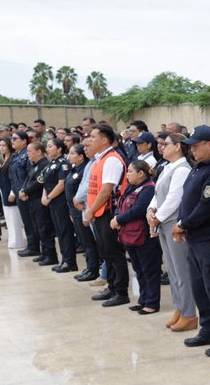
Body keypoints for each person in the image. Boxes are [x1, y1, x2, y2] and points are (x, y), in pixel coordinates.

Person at [175, 126, 210, 353]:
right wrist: (182, 223)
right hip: (193, 238)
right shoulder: (198, 168)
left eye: (196, 146)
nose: (192, 150)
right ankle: (208, 329)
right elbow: (186, 199)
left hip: (208, 239)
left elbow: (205, 207)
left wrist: (182, 224)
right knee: (200, 288)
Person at [148, 132, 197, 331]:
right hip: (162, 221)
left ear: (178, 146)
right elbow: (157, 194)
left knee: (181, 272)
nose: (162, 147)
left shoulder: (183, 169)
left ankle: (189, 314)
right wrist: (151, 211)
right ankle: (179, 308)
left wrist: (157, 218)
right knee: (173, 270)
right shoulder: (168, 167)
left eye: (166, 144)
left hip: (173, 223)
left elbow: (175, 198)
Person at [83, 124, 130, 308]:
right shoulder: (99, 159)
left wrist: (90, 210)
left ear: (104, 140)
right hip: (99, 212)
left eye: (93, 137)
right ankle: (111, 286)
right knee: (106, 253)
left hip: (108, 212)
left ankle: (121, 291)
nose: (90, 140)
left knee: (115, 253)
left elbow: (105, 191)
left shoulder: (112, 160)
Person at [112, 162, 161, 314]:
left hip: (145, 236)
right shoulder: (130, 187)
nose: (127, 174)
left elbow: (140, 210)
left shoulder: (149, 188)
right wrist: (117, 216)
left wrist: (119, 220)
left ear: (141, 173)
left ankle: (152, 303)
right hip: (130, 235)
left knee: (149, 269)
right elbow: (120, 205)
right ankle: (143, 299)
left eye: (131, 171)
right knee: (139, 269)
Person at [65, 144, 100, 279]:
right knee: (84, 240)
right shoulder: (75, 169)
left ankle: (93, 269)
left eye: (73, 153)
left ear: (80, 157)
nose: (69, 156)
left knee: (89, 240)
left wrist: (77, 200)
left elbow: (85, 188)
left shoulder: (85, 167)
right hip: (74, 208)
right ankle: (89, 267)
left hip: (82, 207)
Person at [20, 140, 58, 266]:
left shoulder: (44, 164)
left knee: (44, 227)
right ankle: (44, 253)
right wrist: (23, 189)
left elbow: (39, 182)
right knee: (38, 227)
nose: (28, 154)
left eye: (30, 151)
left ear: (39, 152)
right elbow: (28, 179)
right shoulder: (34, 164)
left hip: (39, 200)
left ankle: (51, 255)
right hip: (32, 200)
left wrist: (26, 191)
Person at [44, 138, 79, 273]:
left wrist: (49, 197)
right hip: (52, 201)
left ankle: (70, 262)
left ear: (59, 149)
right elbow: (45, 181)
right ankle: (64, 259)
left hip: (60, 201)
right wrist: (45, 196)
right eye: (47, 147)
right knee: (59, 232)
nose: (47, 149)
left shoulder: (63, 163)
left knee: (65, 231)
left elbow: (61, 183)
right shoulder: (51, 163)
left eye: (50, 146)